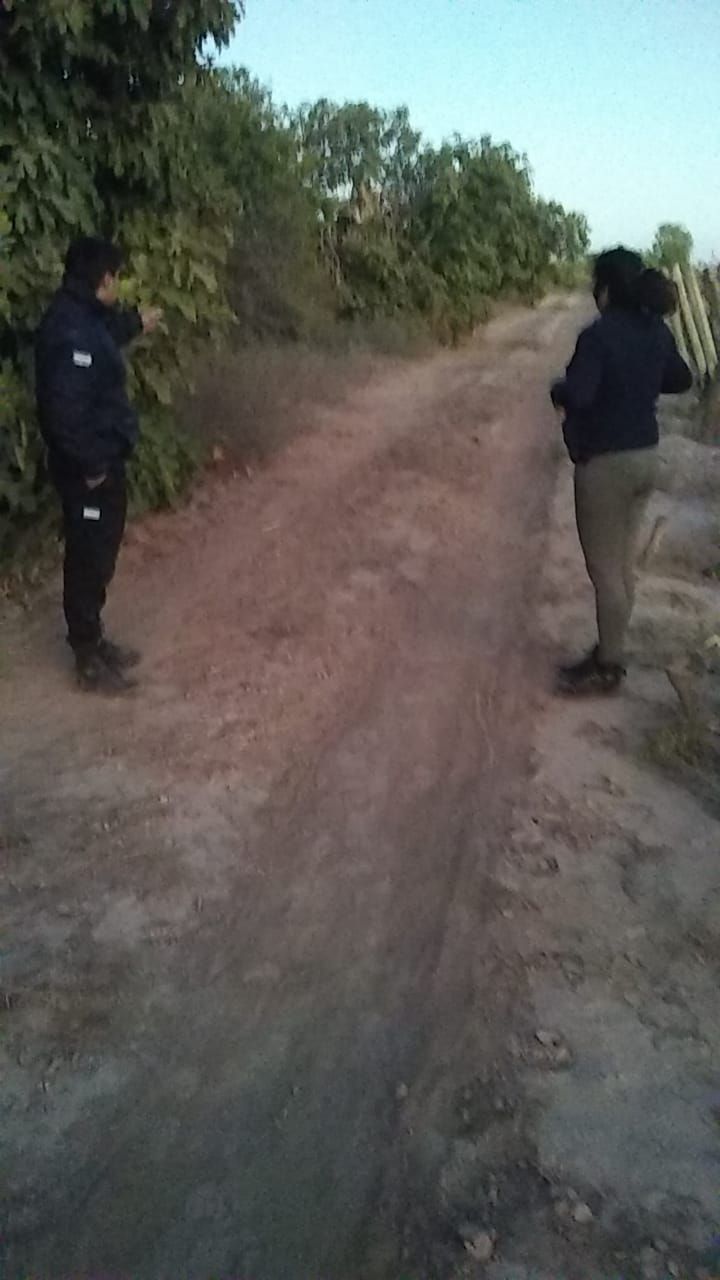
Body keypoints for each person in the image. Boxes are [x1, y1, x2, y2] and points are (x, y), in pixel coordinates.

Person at [551, 247, 692, 695]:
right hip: (646, 454)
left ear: (607, 288)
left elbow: (580, 395)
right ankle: (611, 648)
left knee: (604, 571)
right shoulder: (656, 331)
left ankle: (609, 665)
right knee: (623, 565)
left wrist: (558, 389)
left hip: (605, 464)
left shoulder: (599, 336)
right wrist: (641, 380)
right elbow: (682, 379)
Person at [35, 236, 162, 694]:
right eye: (116, 277)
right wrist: (92, 466)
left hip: (102, 460)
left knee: (100, 551)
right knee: (88, 557)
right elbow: (63, 414)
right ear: (104, 278)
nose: (118, 285)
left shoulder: (84, 317)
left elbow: (106, 333)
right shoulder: (69, 331)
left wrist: (137, 323)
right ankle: (86, 655)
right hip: (88, 468)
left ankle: (94, 637)